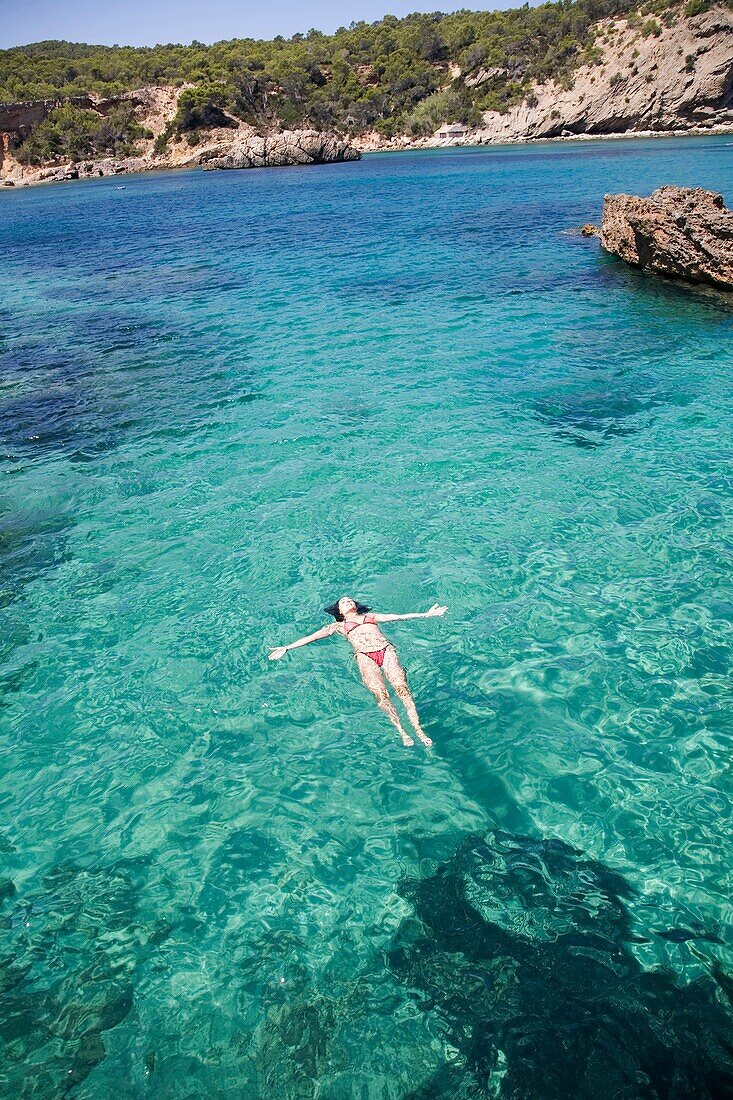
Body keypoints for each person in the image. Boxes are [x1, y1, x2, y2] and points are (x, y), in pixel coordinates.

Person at [268, 597, 447, 747]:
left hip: (386, 650)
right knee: (381, 694)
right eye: (343, 602)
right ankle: (401, 731)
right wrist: (287, 647)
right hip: (364, 656)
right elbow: (311, 637)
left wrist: (427, 614)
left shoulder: (371, 617)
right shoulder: (338, 627)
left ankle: (418, 729)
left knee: (402, 688)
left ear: (355, 605)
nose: (347, 601)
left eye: (349, 600)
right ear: (339, 611)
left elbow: (399, 617)